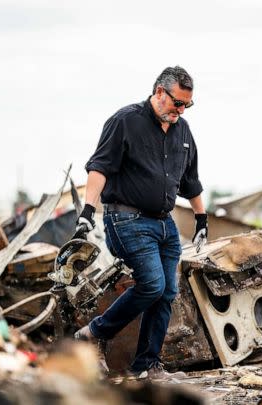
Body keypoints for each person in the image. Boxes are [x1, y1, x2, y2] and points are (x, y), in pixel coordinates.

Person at [73, 66, 208, 379]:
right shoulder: (125, 121)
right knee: (152, 284)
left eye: (188, 105)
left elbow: (190, 181)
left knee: (167, 292)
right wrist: (87, 212)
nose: (181, 110)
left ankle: (145, 366)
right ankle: (93, 333)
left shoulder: (183, 132)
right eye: (177, 103)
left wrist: (201, 218)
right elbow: (99, 168)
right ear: (160, 92)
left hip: (165, 223)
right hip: (126, 218)